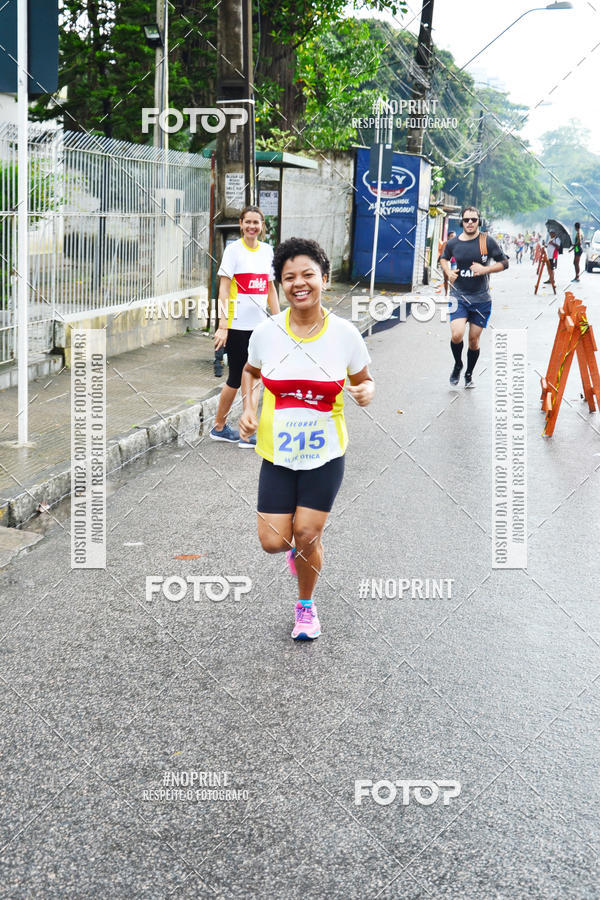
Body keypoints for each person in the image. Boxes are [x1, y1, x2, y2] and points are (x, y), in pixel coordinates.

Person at [238, 237, 375, 640]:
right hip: (277, 455)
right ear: (280, 284)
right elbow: (249, 371)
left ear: (324, 279)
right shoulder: (266, 333)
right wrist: (247, 408)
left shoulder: (346, 335)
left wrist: (367, 391)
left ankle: (306, 608)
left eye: (308, 275)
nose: (299, 283)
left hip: (326, 456)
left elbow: (364, 381)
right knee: (273, 541)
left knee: (307, 534)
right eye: (289, 277)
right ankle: (302, 553)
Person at [210, 205, 280, 447]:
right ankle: (221, 427)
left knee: (256, 376)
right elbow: (224, 289)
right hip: (237, 325)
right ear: (241, 224)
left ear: (262, 226)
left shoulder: (268, 251)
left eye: (256, 222)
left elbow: (270, 288)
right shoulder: (233, 250)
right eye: (247, 222)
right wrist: (222, 325)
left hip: (260, 327)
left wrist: (278, 320)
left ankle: (245, 431)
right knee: (236, 378)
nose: (252, 226)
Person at [440, 205, 509, 389]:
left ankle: (469, 373)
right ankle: (458, 364)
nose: (470, 223)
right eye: (466, 220)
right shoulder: (453, 243)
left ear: (479, 221)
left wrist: (485, 269)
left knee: (473, 340)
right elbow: (443, 257)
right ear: (461, 221)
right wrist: (448, 271)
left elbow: (504, 263)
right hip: (459, 296)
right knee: (456, 335)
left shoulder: (487, 241)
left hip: (481, 299)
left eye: (474, 219)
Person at [436, 231, 455, 295]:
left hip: (454, 263)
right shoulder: (445, 243)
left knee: (452, 278)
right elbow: (442, 254)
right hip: (446, 262)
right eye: (452, 236)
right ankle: (446, 293)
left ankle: (451, 293)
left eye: (454, 236)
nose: (453, 237)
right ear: (448, 237)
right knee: (446, 278)